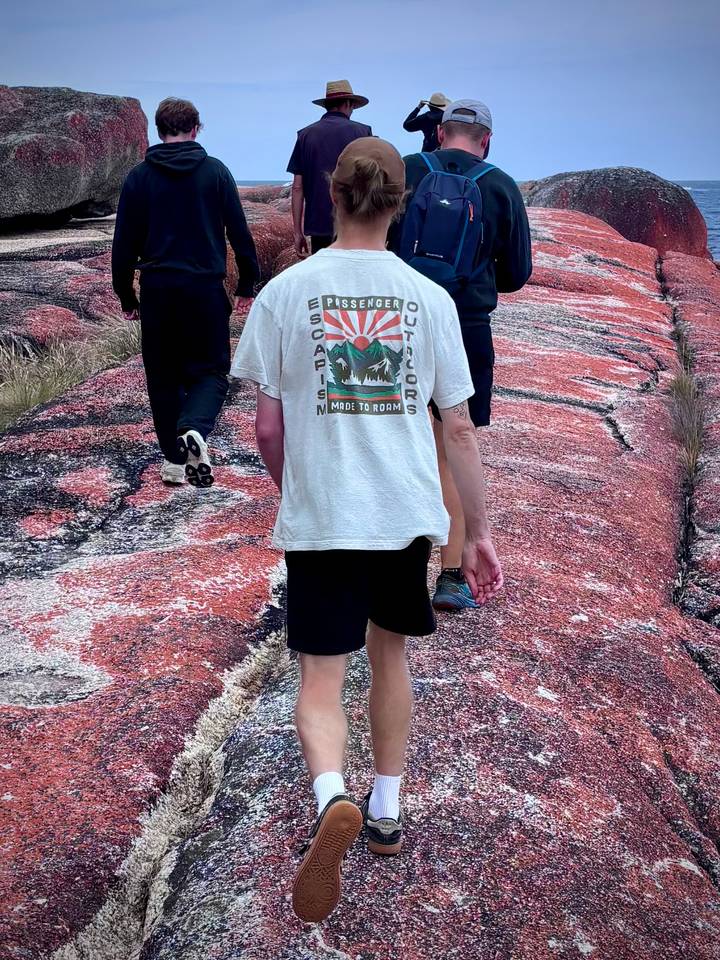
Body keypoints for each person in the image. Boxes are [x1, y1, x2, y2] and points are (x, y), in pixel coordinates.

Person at [231, 137, 503, 924]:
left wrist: (297, 493)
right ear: (401, 201)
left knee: (321, 679)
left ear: (332, 193)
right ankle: (384, 811)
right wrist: (477, 532)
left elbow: (267, 429)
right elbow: (458, 429)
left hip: (324, 518)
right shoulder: (429, 297)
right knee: (391, 659)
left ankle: (330, 798)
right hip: (402, 516)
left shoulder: (288, 292)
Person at [389, 98, 531, 611]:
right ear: (487, 139)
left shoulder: (407, 170)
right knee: (451, 444)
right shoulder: (500, 185)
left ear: (441, 131)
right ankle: (450, 577)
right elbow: (515, 275)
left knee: (396, 442)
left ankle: (390, 569)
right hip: (466, 324)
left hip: (398, 321)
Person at [112, 97, 258, 488]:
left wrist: (126, 295)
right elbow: (238, 232)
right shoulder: (215, 172)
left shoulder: (139, 178)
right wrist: (248, 282)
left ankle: (176, 462)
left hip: (159, 290)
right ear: (196, 129)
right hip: (205, 289)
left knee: (162, 376)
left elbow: (124, 244)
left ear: (159, 131)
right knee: (211, 372)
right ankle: (194, 428)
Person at [287, 80, 372, 257]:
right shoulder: (363, 132)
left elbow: (297, 188)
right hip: (355, 223)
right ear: (348, 103)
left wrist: (297, 232)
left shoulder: (305, 135)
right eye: (353, 106)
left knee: (325, 281)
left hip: (318, 225)